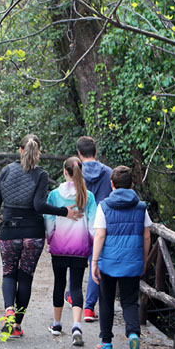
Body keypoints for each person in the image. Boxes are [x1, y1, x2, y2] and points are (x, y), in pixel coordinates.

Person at [0, 134, 82, 338]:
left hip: (9, 231)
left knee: (8, 273)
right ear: (38, 153)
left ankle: (8, 311)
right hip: (33, 233)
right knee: (25, 277)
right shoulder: (40, 174)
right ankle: (17, 325)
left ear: (20, 150)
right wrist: (64, 211)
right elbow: (39, 206)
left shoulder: (6, 171)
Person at [90, 166, 151, 349]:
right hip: (132, 260)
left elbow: (100, 234)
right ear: (132, 184)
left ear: (112, 184)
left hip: (109, 261)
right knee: (129, 301)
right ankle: (133, 334)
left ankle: (106, 343)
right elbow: (147, 235)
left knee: (106, 300)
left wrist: (95, 261)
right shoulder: (141, 207)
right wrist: (144, 258)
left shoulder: (104, 206)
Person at [44, 156, 97, 347]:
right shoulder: (88, 196)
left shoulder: (55, 195)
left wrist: (50, 239)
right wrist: (90, 244)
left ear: (65, 172)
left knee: (59, 283)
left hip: (59, 246)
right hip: (80, 247)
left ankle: (57, 324)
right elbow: (93, 225)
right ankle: (76, 326)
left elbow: (49, 221)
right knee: (76, 286)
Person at [75, 136, 113, 322]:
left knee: (75, 261)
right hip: (100, 225)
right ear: (95, 152)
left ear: (79, 153)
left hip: (79, 222)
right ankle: (89, 308)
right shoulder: (109, 173)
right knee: (95, 263)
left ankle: (72, 295)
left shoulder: (76, 172)